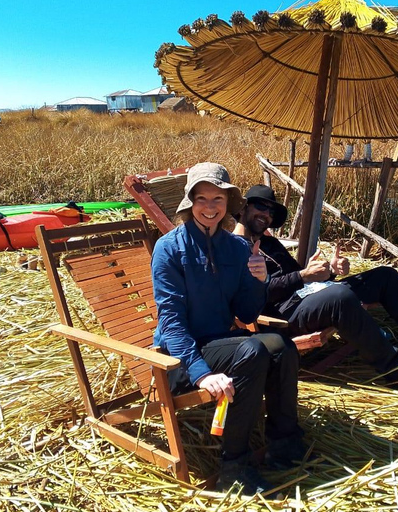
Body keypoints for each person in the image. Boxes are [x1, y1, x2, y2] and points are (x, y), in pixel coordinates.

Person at [233, 185, 398, 388]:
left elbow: (298, 277)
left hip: (307, 297)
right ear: (243, 207)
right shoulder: (233, 248)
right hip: (281, 316)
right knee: (341, 295)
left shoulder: (270, 243)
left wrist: (328, 271)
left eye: (270, 211)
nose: (266, 214)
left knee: (384, 276)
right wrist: (303, 276)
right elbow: (258, 296)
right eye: (260, 206)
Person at [151, 164, 306, 497]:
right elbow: (172, 322)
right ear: (190, 202)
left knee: (281, 344)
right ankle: (234, 467)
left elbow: (247, 312)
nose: (210, 207)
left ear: (228, 202)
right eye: (202, 198)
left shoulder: (237, 248)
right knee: (252, 351)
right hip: (179, 358)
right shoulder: (169, 248)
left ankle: (283, 441)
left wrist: (258, 280)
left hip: (220, 342)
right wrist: (201, 373)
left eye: (218, 198)